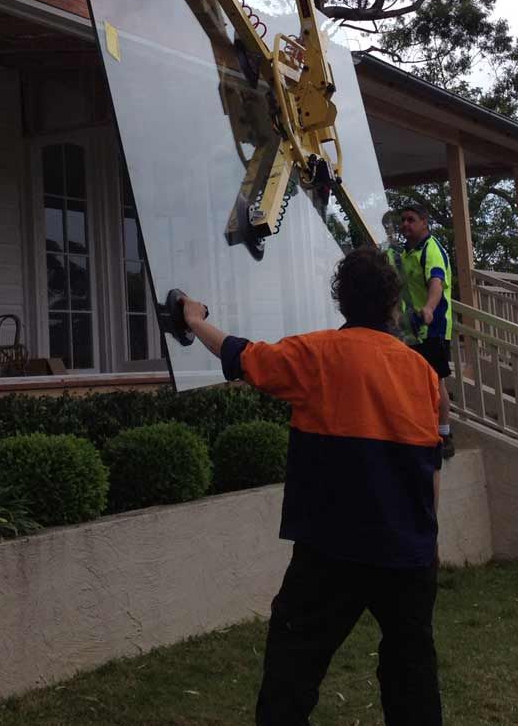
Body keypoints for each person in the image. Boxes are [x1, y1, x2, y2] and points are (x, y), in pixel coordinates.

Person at [180, 247, 443, 726]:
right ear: (390, 305)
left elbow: (241, 356)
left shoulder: (315, 355)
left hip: (330, 554)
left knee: (290, 676)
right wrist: (427, 544)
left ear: (342, 301)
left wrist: (194, 319)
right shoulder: (422, 373)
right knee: (413, 677)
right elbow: (432, 470)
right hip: (409, 556)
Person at [397, 205, 455, 458]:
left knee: (435, 380)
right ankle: (420, 430)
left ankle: (444, 433)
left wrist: (430, 308)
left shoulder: (431, 249)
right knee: (411, 382)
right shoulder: (402, 253)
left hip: (434, 327)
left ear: (424, 222)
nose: (405, 225)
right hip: (408, 329)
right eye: (403, 220)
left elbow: (436, 282)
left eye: (411, 220)